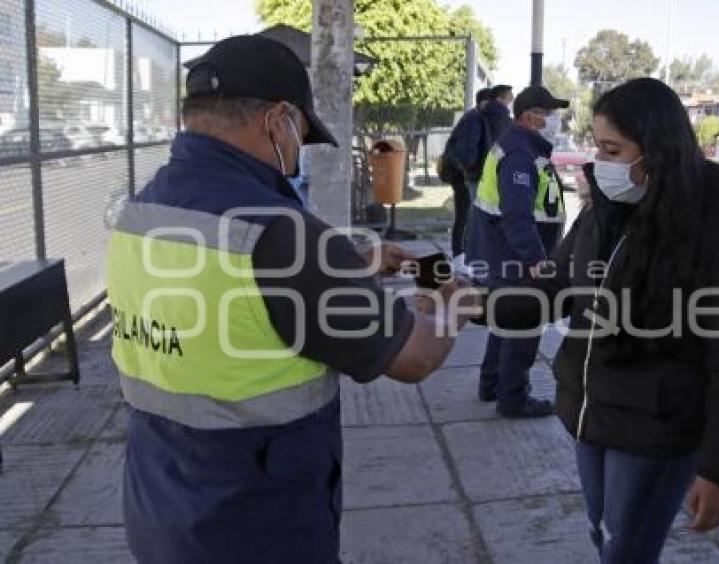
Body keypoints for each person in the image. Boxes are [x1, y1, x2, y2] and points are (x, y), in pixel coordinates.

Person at [105, 35, 472, 564]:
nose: (298, 150)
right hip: (258, 524)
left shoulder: (143, 207)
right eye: (300, 133)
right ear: (277, 119)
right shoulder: (283, 233)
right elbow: (412, 357)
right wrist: (449, 305)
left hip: (161, 504)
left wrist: (349, 260)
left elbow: (224, 280)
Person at [455, 77, 719, 562]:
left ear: (657, 149)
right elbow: (555, 288)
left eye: (612, 149)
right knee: (605, 536)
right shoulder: (604, 209)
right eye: (597, 147)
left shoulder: (713, 219)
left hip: (658, 427)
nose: (598, 162)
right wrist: (473, 303)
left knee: (627, 549)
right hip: (591, 416)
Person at [466, 85, 568, 418]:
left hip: (505, 253)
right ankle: (513, 397)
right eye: (548, 114)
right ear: (529, 117)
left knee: (504, 318)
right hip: (514, 255)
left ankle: (493, 383)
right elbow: (517, 215)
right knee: (524, 322)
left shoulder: (523, 146)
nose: (554, 121)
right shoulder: (520, 155)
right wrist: (537, 261)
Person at [440, 87, 492, 258]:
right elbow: (466, 150)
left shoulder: (473, 117)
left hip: (460, 171)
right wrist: (470, 171)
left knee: (465, 213)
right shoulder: (475, 119)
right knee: (465, 213)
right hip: (461, 173)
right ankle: (460, 253)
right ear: (484, 102)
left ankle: (461, 252)